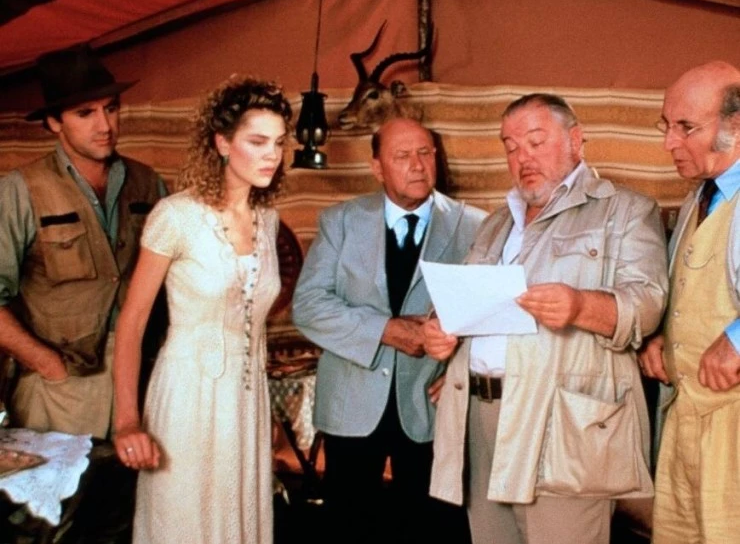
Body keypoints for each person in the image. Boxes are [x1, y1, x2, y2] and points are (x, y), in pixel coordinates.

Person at [424, 93, 669, 544]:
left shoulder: (626, 210)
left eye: (536, 142)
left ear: (576, 140)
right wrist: (438, 329)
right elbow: (464, 301)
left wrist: (580, 305)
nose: (523, 158)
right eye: (511, 147)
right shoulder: (495, 223)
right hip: (479, 417)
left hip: (563, 422)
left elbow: (648, 302)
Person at [112, 76, 291, 544]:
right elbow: (131, 322)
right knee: (183, 522)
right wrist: (127, 421)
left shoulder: (269, 221)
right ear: (222, 143)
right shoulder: (175, 217)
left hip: (246, 403)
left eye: (278, 143)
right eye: (257, 142)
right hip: (186, 399)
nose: (272, 155)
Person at [292, 117, 485, 544]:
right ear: (377, 167)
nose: (417, 165)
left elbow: (491, 315)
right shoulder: (340, 221)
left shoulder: (476, 226)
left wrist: (463, 368)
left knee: (434, 529)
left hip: (432, 407)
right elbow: (308, 305)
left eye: (425, 153)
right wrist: (385, 330)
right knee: (348, 529)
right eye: (402, 156)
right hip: (351, 403)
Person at [0, 43, 166, 438]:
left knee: (134, 482)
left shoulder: (149, 183)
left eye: (111, 108)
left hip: (141, 383)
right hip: (59, 390)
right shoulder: (21, 190)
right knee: (63, 481)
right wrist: (47, 365)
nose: (104, 125)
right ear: (54, 122)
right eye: (85, 113)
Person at [638, 61, 740, 544]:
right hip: (685, 418)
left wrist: (737, 340)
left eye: (686, 127)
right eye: (666, 125)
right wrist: (664, 334)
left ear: (735, 125)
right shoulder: (699, 197)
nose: (669, 143)